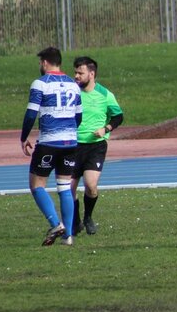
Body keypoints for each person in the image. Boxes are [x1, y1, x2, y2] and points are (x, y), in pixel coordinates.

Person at [21, 47, 82, 246]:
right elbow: (78, 116)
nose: (40, 66)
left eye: (40, 62)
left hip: (49, 142)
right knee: (64, 187)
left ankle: (56, 224)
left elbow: (31, 113)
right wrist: (69, 132)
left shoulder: (40, 83)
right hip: (70, 142)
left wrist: (24, 137)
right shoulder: (73, 85)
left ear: (45, 62)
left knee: (36, 185)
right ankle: (68, 236)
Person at [70, 56, 123, 236]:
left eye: (80, 73)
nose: (76, 76)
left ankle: (88, 218)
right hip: (72, 145)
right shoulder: (71, 92)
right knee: (69, 188)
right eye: (75, 72)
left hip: (95, 146)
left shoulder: (105, 95)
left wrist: (106, 128)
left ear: (91, 74)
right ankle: (76, 222)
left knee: (91, 186)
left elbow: (118, 116)